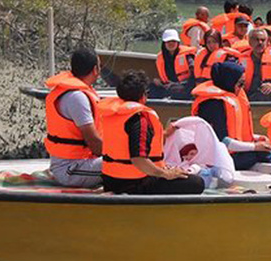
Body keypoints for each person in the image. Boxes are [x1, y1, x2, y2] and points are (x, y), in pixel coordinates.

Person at [98, 72, 206, 195]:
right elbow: (138, 159)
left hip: (110, 180)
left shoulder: (113, 115)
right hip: (134, 183)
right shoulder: (140, 118)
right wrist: (165, 174)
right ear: (143, 96)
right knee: (197, 183)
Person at [192, 60, 271, 170]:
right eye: (240, 84)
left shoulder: (228, 98)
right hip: (216, 160)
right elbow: (223, 141)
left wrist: (258, 138)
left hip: (230, 154)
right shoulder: (213, 104)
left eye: (243, 84)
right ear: (229, 81)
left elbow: (235, 133)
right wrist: (255, 147)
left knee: (269, 149)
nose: (242, 88)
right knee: (261, 153)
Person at [44, 47, 104, 188]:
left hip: (75, 164)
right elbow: (94, 143)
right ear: (95, 69)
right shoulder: (77, 97)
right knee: (129, 165)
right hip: (72, 169)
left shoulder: (75, 92)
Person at [241, 27, 271, 98]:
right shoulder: (241, 59)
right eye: (256, 40)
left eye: (262, 40)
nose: (260, 42)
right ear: (250, 42)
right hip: (250, 98)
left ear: (267, 42)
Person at [152, 28, 197, 98]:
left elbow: (194, 74)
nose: (171, 44)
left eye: (174, 41)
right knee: (152, 87)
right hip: (169, 86)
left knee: (175, 90)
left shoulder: (187, 56)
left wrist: (179, 84)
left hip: (185, 86)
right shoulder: (161, 57)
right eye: (168, 41)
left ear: (177, 43)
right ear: (164, 43)